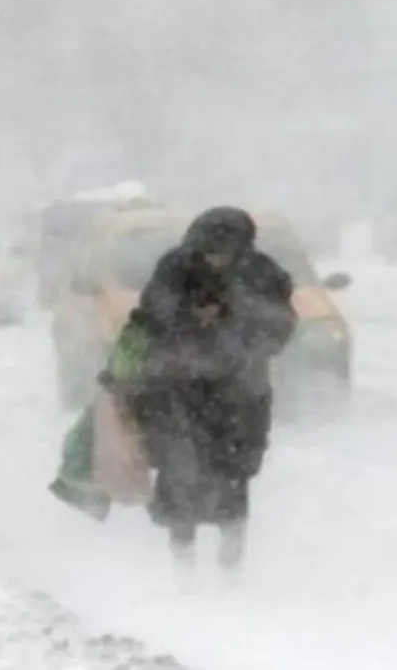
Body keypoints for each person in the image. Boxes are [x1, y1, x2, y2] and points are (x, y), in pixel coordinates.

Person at [101, 206, 298, 571]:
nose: (215, 260)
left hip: (240, 397)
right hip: (176, 392)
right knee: (179, 475)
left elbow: (279, 326)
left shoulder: (263, 273)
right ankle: (183, 566)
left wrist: (233, 329)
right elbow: (150, 319)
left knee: (234, 478)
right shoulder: (174, 269)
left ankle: (230, 566)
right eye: (209, 252)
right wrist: (189, 323)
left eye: (224, 252)